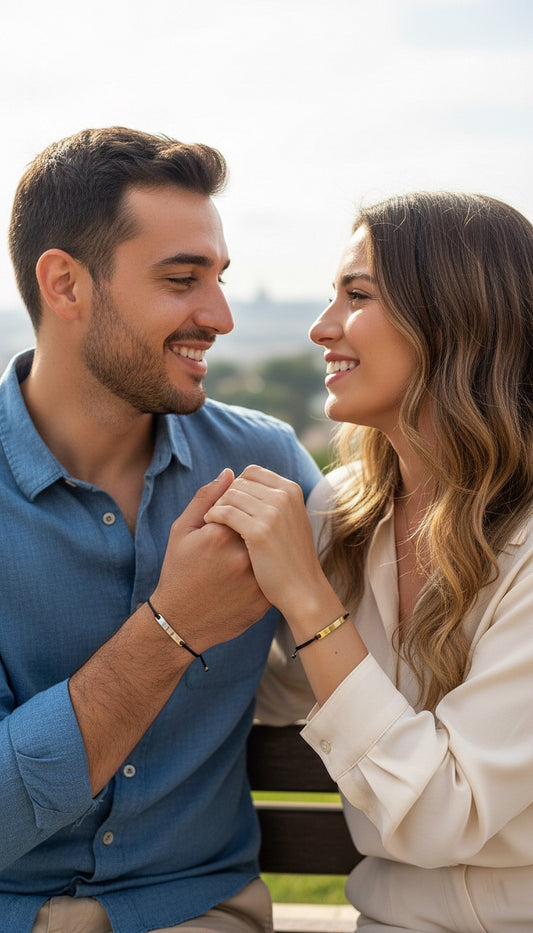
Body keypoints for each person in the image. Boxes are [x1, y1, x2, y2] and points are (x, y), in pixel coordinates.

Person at [0, 126, 320, 933]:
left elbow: (392, 642)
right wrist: (171, 628)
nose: (218, 316)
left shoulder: (264, 459)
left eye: (218, 279)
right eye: (183, 279)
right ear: (64, 285)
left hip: (195, 912)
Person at [205, 191, 533, 932]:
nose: (322, 328)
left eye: (355, 296)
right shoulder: (341, 513)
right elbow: (293, 695)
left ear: (452, 319)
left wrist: (307, 600)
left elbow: (442, 811)